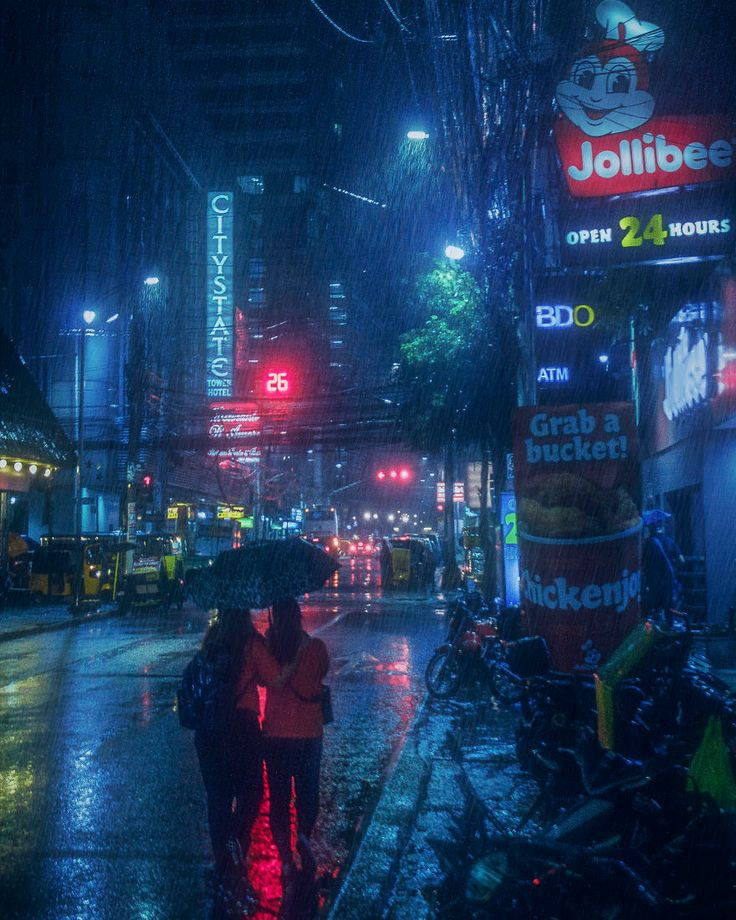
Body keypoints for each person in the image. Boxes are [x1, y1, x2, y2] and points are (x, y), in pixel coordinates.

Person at [193, 608, 284, 883]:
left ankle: (221, 856)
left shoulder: (212, 640)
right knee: (251, 793)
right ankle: (237, 838)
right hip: (243, 728)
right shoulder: (251, 642)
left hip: (209, 731)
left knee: (217, 797)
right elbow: (274, 679)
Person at [263, 597, 329, 900]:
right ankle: (303, 834)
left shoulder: (269, 650)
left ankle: (286, 859)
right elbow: (321, 673)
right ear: (299, 617)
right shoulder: (315, 648)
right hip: (308, 734)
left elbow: (265, 681)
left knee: (278, 798)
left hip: (275, 735)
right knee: (307, 794)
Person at [642, 526, 683, 625]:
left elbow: (643, 562)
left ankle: (655, 630)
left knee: (654, 608)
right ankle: (669, 626)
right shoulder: (670, 542)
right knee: (669, 606)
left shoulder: (648, 543)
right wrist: (673, 567)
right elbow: (681, 560)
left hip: (653, 581)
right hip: (668, 579)